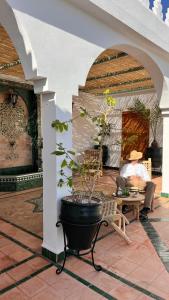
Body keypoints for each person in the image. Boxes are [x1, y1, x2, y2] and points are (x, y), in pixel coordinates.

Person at [116, 150, 156, 219]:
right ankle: (124, 202)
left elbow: (147, 178)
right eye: (133, 159)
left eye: (135, 158)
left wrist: (139, 178)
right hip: (129, 182)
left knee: (151, 184)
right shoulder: (126, 166)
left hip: (140, 183)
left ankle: (145, 209)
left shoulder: (141, 166)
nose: (134, 160)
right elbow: (122, 176)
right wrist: (130, 177)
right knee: (119, 178)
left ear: (138, 159)